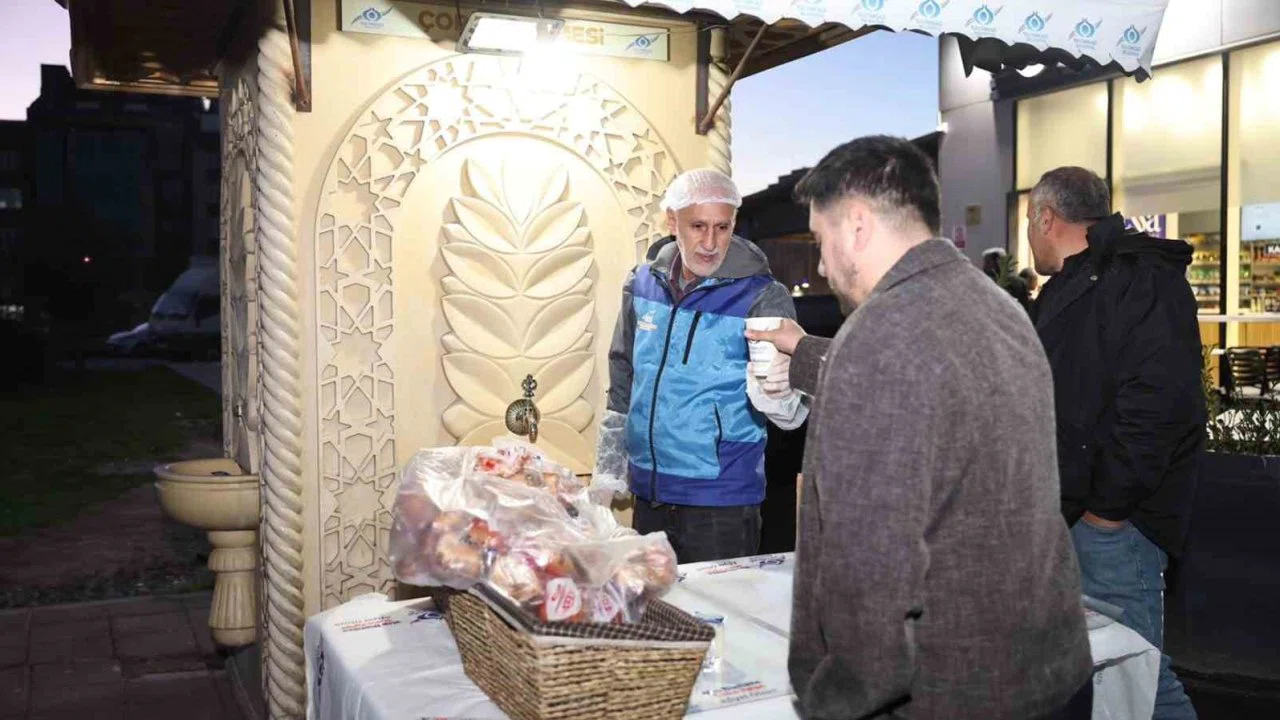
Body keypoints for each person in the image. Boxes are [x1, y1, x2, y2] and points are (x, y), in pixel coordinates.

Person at [748, 136, 1093, 719]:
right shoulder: (999, 308)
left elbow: (873, 571)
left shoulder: (878, 338)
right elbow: (925, 388)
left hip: (953, 696)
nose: (823, 265)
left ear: (857, 225)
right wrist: (803, 350)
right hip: (1049, 676)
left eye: (821, 240)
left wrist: (836, 702)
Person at [1026, 166, 1205, 720]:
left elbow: (1158, 407)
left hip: (1112, 528)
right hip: (1077, 520)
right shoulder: (1079, 283)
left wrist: (1106, 512)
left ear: (1046, 218)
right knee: (1108, 682)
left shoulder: (1137, 278)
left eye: (1029, 222)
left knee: (1138, 683)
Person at [590, 168, 808, 563]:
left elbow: (791, 405)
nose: (710, 243)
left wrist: (783, 390)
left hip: (721, 502)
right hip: (648, 492)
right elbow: (624, 370)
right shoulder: (641, 283)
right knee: (652, 600)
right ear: (672, 222)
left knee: (719, 605)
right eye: (698, 226)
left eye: (722, 227)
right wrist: (609, 465)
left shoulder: (762, 296)